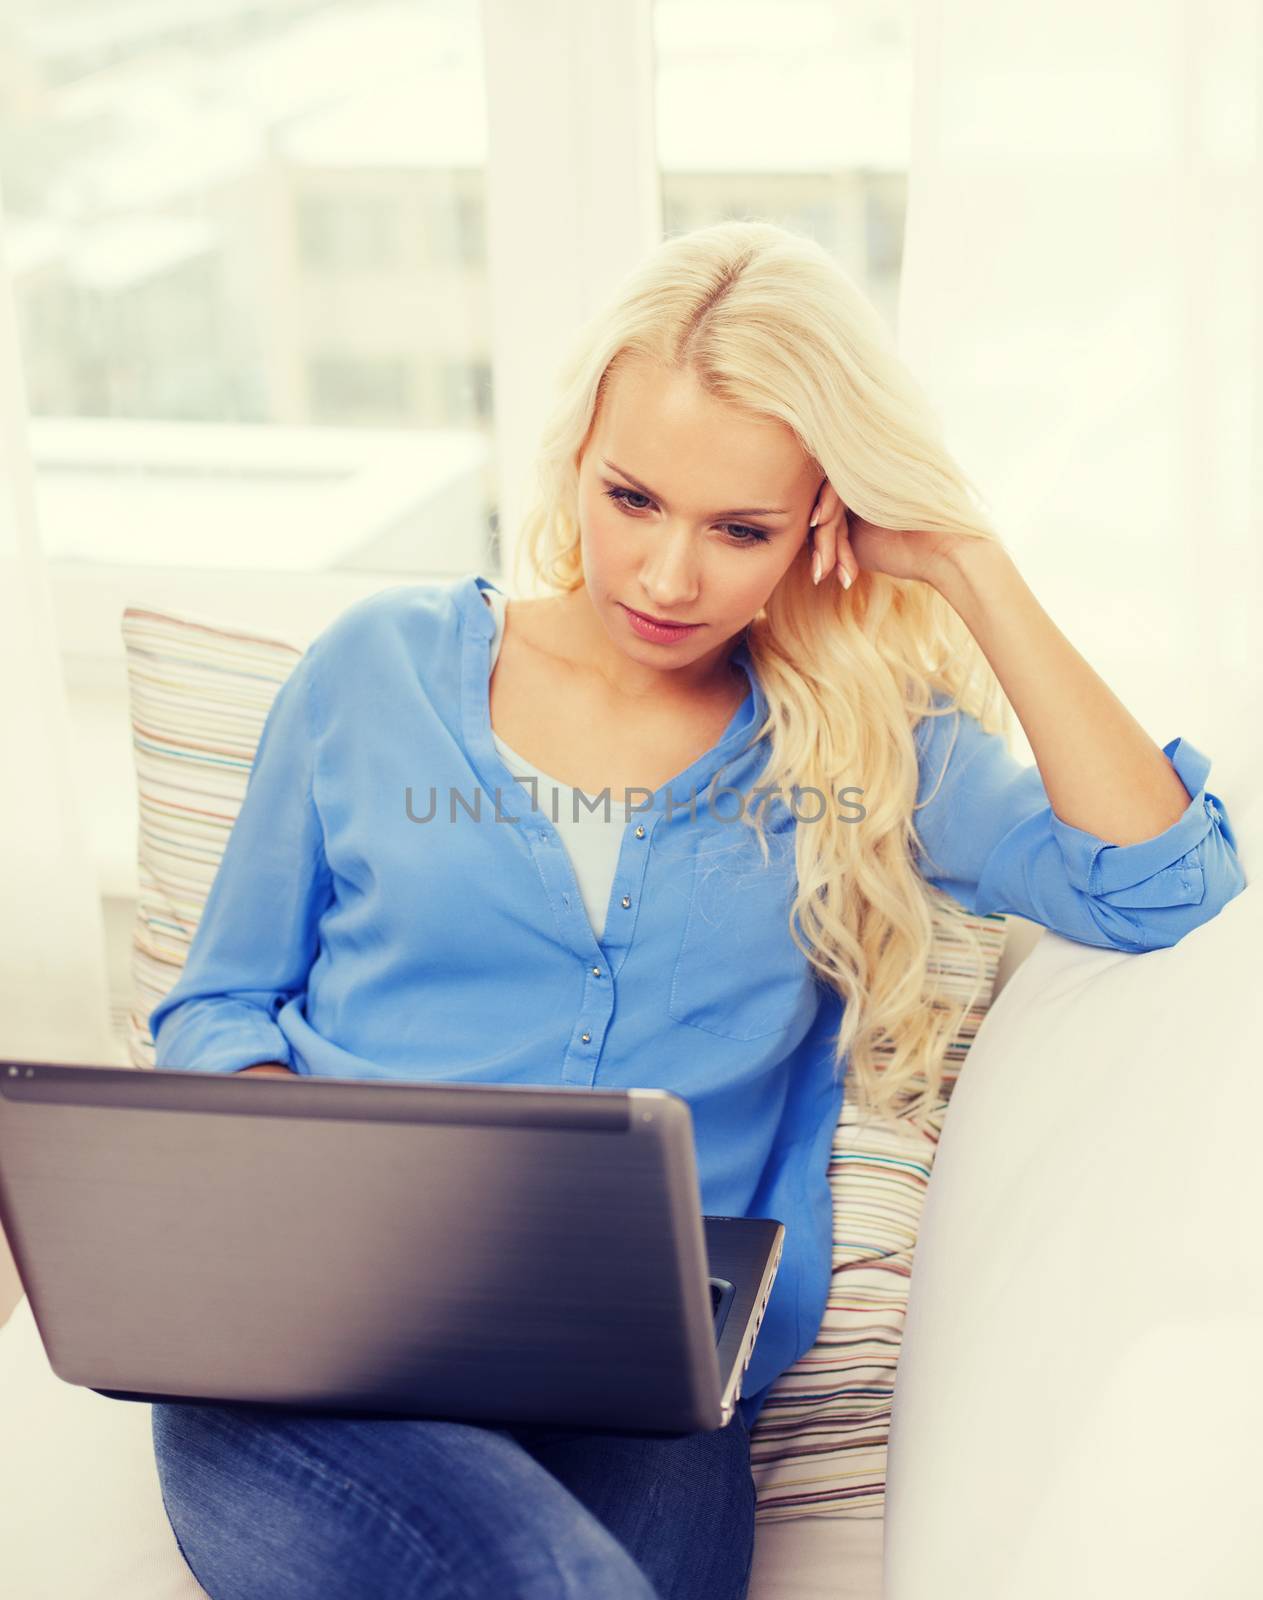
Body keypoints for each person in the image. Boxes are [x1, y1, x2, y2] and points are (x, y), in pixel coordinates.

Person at [147, 219, 1247, 1600]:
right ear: (573, 466)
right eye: (631, 499)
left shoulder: (863, 745)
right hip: (322, 1347)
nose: (669, 578)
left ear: (823, 525)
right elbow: (219, 999)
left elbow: (1158, 882)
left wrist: (967, 557)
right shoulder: (377, 672)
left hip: (651, 1387)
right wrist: (298, 1180)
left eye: (741, 530)